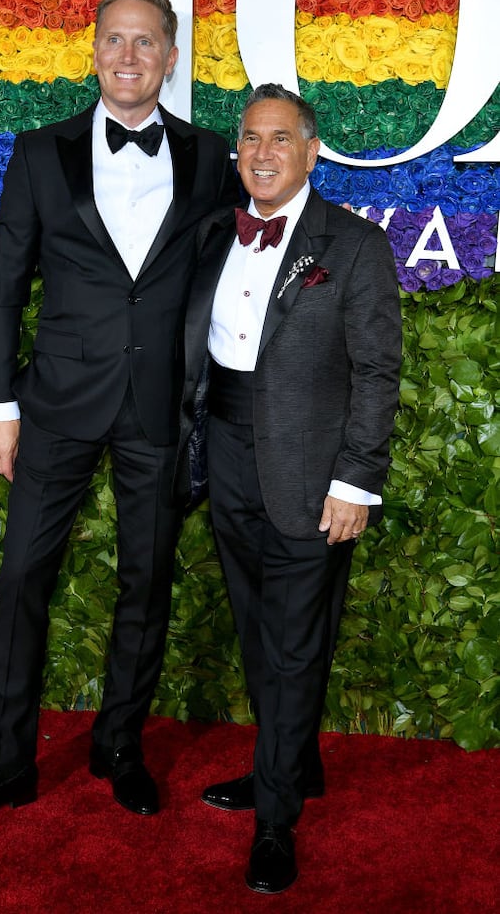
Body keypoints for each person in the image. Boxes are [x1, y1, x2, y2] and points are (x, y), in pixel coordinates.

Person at [0, 0, 239, 834]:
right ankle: (3, 765)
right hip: (54, 402)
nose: (128, 56)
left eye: (146, 42)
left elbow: (235, 271)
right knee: (23, 577)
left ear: (171, 60)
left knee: (147, 580)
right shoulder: (38, 152)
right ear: (93, 52)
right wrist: (0, 406)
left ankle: (119, 747)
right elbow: (2, 290)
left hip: (157, 409)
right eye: (114, 40)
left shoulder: (210, 157)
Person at [178, 83, 402, 893]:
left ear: (311, 151)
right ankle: (293, 765)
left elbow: (377, 372)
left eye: (278, 139)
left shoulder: (352, 244)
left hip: (313, 473)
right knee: (255, 628)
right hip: (228, 455)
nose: (261, 154)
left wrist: (355, 482)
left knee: (297, 642)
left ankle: (275, 817)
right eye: (248, 139)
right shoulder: (215, 234)